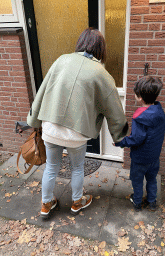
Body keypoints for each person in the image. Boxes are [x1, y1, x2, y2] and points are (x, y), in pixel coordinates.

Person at [27, 27, 128, 219]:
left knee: (51, 167)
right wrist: (119, 137)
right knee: (77, 167)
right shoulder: (101, 74)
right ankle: (77, 201)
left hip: (50, 128)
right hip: (77, 134)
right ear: (101, 49)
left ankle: (46, 204)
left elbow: (42, 90)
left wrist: (33, 120)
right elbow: (114, 109)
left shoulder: (61, 60)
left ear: (81, 43)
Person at [114, 76, 165, 212]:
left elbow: (136, 139)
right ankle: (152, 201)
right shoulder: (159, 111)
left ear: (140, 97)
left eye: (136, 94)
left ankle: (137, 202)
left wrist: (120, 142)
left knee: (137, 181)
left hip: (140, 158)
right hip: (154, 157)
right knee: (152, 179)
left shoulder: (140, 117)